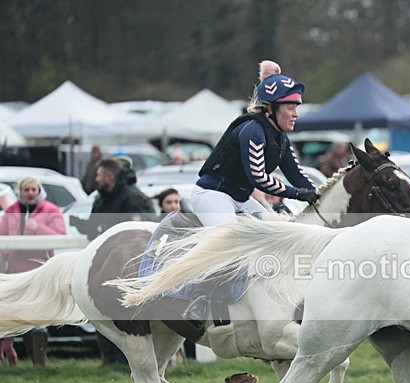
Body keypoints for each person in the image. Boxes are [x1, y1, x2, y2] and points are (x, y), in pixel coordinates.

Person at [184, 59, 319, 323]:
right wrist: (297, 194)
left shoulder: (280, 137)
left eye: (296, 107)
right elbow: (258, 178)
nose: (295, 113)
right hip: (212, 195)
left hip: (238, 198)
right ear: (271, 108)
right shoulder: (252, 130)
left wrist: (319, 194)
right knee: (229, 245)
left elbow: (297, 174)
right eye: (290, 107)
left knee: (276, 232)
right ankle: (197, 299)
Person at [70, 157, 153, 366]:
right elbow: (95, 231)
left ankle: (131, 360)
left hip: (130, 268)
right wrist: (82, 226)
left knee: (130, 314)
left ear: (109, 176)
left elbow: (142, 235)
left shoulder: (134, 199)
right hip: (104, 265)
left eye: (98, 174)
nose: (95, 179)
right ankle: (109, 358)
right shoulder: (100, 199)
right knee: (101, 309)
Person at [0, 176, 67, 366]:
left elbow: (60, 237)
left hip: (40, 271)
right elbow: (2, 240)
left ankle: (40, 363)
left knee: (38, 318)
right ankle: (10, 358)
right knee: (12, 316)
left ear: (39, 191)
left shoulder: (51, 210)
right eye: (26, 190)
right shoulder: (10, 212)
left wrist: (38, 228)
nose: (30, 193)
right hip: (15, 272)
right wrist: (10, 251)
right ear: (19, 192)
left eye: (33, 190)